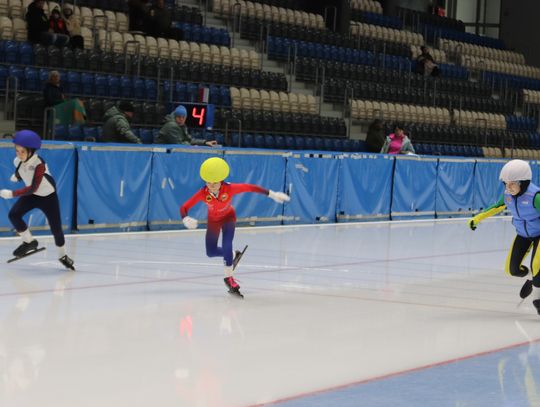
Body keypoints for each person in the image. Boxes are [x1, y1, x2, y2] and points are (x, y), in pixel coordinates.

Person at [180, 157, 290, 297]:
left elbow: (250, 187)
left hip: (228, 218)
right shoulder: (203, 193)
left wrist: (272, 194)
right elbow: (184, 207)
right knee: (211, 252)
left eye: (214, 183)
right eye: (208, 182)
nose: (211, 185)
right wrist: (185, 218)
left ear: (221, 180)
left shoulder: (230, 188)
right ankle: (233, 255)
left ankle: (229, 278)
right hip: (214, 220)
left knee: (227, 244)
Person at [469, 159, 540, 314]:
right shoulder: (508, 195)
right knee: (511, 270)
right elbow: (496, 207)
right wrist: (477, 218)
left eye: (512, 184)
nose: (508, 188)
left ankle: (537, 298)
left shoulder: (535, 196)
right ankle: (532, 277)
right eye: (506, 184)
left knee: (537, 265)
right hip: (523, 235)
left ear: (524, 183)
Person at [0, 130, 75, 270]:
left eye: (22, 151)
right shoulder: (17, 161)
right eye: (17, 151)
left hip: (48, 197)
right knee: (14, 214)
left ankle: (63, 255)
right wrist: (17, 176)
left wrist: (11, 194)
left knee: (56, 228)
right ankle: (29, 242)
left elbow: (33, 187)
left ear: (31, 151)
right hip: (32, 196)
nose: (19, 154)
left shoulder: (39, 165)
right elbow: (22, 169)